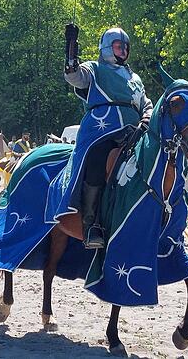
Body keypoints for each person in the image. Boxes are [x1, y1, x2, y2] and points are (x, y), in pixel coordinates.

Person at [60, 24, 153, 249]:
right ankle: (91, 224)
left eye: (125, 47)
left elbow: (146, 103)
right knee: (97, 158)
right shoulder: (95, 69)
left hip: (134, 130)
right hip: (103, 130)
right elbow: (75, 77)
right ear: (107, 48)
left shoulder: (135, 77)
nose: (123, 51)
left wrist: (148, 117)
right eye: (118, 46)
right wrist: (71, 50)